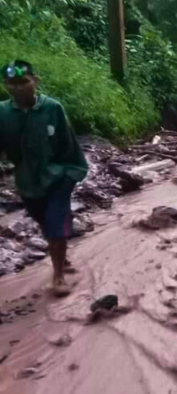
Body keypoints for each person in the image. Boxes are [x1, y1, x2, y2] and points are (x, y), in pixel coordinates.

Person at [0, 60, 88, 296]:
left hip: (58, 176)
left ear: (35, 81)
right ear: (6, 85)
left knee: (56, 225)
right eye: (13, 83)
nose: (19, 88)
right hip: (27, 182)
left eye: (24, 82)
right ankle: (62, 256)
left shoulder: (53, 108)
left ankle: (58, 277)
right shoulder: (3, 113)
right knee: (45, 223)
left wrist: (71, 174)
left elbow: (68, 143)